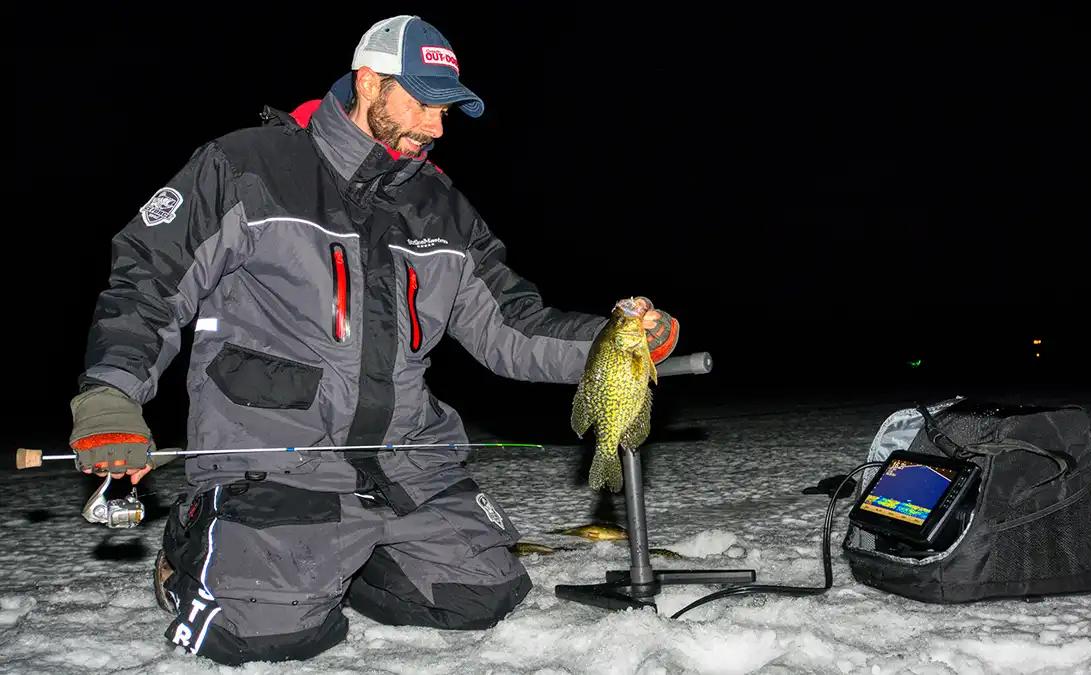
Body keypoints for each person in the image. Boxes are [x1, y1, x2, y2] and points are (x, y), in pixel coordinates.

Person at [68, 15, 679, 666]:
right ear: (368, 82)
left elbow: (512, 323)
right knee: (261, 635)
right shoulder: (247, 166)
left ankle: (329, 559)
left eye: (446, 109)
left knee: (480, 593)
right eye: (422, 102)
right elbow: (148, 280)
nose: (438, 127)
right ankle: (195, 543)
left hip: (404, 461)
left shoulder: (442, 206)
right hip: (274, 456)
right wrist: (111, 396)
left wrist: (620, 342)